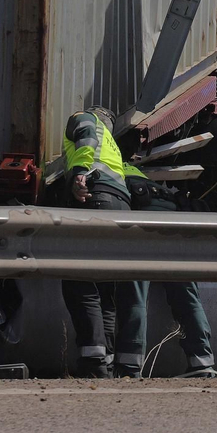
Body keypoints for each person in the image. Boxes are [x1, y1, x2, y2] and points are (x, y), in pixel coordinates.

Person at [59, 107, 143, 378]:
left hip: (94, 197)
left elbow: (84, 136)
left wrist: (80, 172)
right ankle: (102, 364)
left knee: (79, 281)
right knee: (106, 291)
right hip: (119, 207)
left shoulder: (85, 118)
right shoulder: (114, 148)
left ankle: (93, 362)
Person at [122, 166, 217, 378]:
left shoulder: (111, 171)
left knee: (136, 294)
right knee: (186, 294)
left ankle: (129, 367)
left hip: (141, 219)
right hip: (172, 220)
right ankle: (202, 362)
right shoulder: (140, 172)